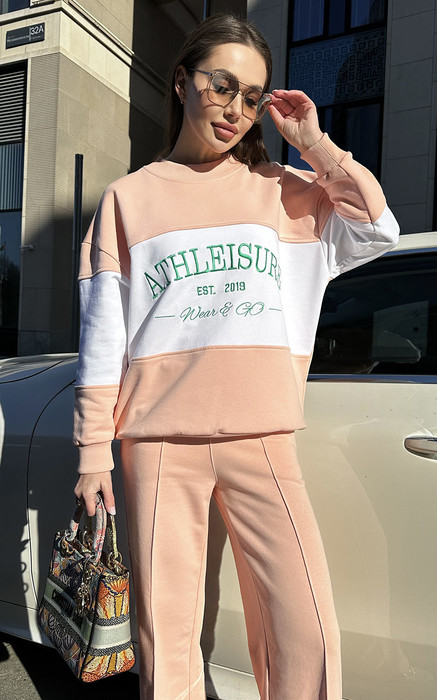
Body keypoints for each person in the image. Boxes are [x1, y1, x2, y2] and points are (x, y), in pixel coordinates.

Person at [73, 12, 399, 700]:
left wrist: (315, 143)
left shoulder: (283, 190)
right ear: (182, 82)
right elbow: (102, 339)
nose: (235, 109)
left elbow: (377, 228)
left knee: (307, 630)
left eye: (251, 97)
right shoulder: (128, 199)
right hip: (158, 441)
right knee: (168, 636)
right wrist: (93, 452)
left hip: (263, 434)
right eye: (222, 86)